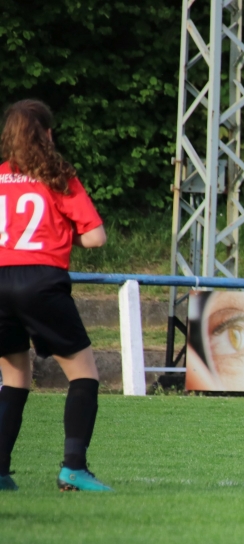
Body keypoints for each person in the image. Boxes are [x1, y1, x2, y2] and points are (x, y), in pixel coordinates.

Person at [0, 100, 111, 492]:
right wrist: (60, 233)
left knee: (14, 376)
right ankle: (73, 469)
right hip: (40, 280)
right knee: (84, 374)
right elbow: (95, 238)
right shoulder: (56, 175)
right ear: (47, 134)